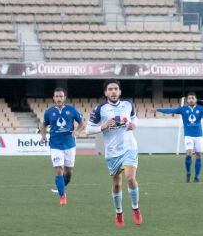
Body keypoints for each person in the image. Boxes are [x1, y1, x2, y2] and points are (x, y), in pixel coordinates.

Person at [86, 79, 142, 227]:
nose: (113, 91)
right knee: (117, 184)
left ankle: (135, 209)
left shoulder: (128, 105)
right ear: (105, 93)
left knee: (130, 178)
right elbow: (88, 129)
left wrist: (134, 125)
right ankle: (119, 213)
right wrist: (102, 126)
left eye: (116, 89)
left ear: (120, 91)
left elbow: (134, 118)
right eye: (110, 89)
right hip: (112, 153)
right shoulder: (100, 109)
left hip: (129, 147)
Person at [40, 87, 85, 205]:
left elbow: (82, 123)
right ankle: (62, 196)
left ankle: (60, 187)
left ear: (64, 98)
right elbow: (43, 125)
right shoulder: (49, 112)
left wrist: (77, 131)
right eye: (57, 96)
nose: (59, 98)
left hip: (70, 145)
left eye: (61, 96)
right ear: (53, 98)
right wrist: (43, 136)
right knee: (59, 170)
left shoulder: (71, 110)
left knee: (68, 173)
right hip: (55, 145)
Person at [157, 92, 203, 183]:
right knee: (189, 153)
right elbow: (170, 111)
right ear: (187, 100)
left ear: (196, 99)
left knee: (198, 155)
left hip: (199, 136)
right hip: (188, 135)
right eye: (189, 98)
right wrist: (157, 109)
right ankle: (188, 173)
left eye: (193, 98)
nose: (191, 99)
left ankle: (196, 177)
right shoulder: (183, 109)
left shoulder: (201, 109)